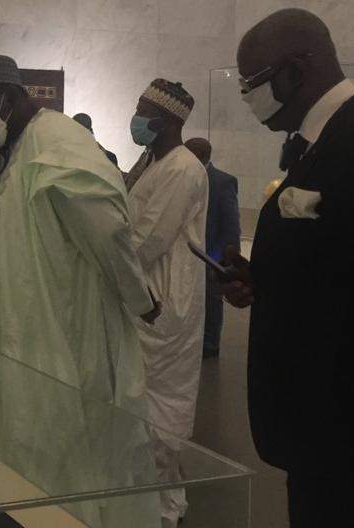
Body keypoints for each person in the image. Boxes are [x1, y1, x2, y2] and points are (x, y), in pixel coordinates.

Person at [0, 55, 160, 527]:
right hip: (11, 326)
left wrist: (140, 299)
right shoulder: (14, 149)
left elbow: (107, 234)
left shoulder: (59, 142)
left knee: (59, 446)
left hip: (56, 329)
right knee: (14, 442)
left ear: (9, 98)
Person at [223, 8, 354, 527]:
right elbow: (336, 266)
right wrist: (261, 280)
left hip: (350, 433)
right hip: (316, 428)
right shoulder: (320, 141)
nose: (247, 96)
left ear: (296, 70)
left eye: (253, 83)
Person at [125, 80, 209, 528]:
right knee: (139, 403)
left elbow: (148, 239)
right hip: (144, 292)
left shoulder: (183, 169)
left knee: (161, 409)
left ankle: (165, 507)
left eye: (143, 110)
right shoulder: (154, 163)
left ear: (168, 119)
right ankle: (144, 497)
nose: (137, 118)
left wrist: (113, 269)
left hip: (164, 299)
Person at [183, 137, 240, 358]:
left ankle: (210, 343)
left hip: (211, 252)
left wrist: (226, 257)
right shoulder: (183, 176)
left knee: (212, 299)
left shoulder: (223, 182)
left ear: (202, 155)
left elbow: (231, 222)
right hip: (188, 251)